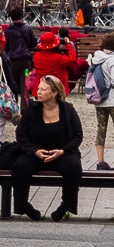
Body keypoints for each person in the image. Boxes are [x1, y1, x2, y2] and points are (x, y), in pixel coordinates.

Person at [12, 74, 83, 220]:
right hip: (36, 153)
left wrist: (63, 151)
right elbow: (20, 135)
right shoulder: (31, 110)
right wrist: (34, 151)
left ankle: (66, 207)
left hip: (61, 153)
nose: (38, 92)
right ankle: (23, 206)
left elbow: (78, 135)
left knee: (73, 166)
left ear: (54, 93)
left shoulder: (68, 110)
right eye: (38, 88)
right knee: (19, 167)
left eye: (43, 90)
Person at [87, 32, 114, 170]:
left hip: (99, 98)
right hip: (113, 99)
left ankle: (100, 161)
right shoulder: (113, 60)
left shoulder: (96, 58)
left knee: (101, 129)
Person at [31, 30, 83, 95]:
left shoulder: (36, 56)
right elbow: (72, 59)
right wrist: (68, 44)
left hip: (40, 88)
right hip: (55, 90)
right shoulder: (58, 58)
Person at [3, 4, 33, 96]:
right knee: (25, 85)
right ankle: (25, 107)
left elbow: (5, 45)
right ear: (21, 16)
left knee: (12, 83)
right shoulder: (27, 28)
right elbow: (33, 43)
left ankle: (13, 104)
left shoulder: (8, 30)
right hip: (25, 60)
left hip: (12, 60)